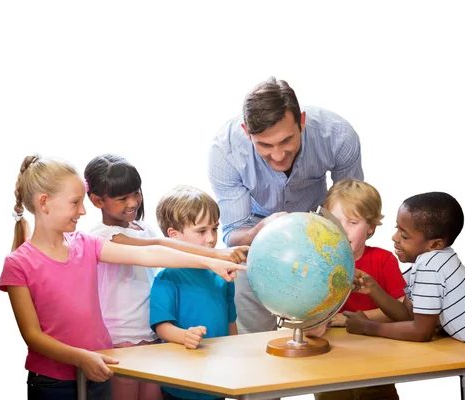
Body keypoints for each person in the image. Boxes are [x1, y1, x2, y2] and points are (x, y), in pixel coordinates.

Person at [0, 154, 245, 400]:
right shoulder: (18, 264)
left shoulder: (86, 244)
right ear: (44, 203)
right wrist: (82, 358)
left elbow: (153, 253)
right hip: (54, 381)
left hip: (100, 367)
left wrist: (211, 260)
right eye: (75, 202)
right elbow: (32, 336)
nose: (83, 211)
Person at [84, 154, 248, 400]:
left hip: (149, 335)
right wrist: (215, 255)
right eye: (122, 198)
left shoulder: (142, 228)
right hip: (121, 338)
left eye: (136, 193)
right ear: (97, 200)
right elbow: (160, 247)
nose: (133, 202)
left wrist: (217, 256)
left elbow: (168, 245)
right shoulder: (101, 236)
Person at [208, 76, 364, 334]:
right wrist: (259, 232)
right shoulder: (224, 152)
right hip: (254, 238)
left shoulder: (337, 135)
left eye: (286, 141)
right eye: (265, 145)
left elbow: (352, 201)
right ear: (247, 132)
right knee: (254, 338)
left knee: (322, 336)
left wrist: (343, 244)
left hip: (316, 233)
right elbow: (233, 235)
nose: (278, 155)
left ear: (301, 122)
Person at [344, 192, 465, 399]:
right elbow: (408, 315)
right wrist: (374, 289)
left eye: (404, 235)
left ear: (435, 245)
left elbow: (421, 332)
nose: (394, 238)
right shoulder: (429, 263)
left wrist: (368, 327)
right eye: (397, 229)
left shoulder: (430, 266)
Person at [306, 180, 406, 400]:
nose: (342, 229)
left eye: (352, 222)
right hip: (329, 363)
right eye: (335, 221)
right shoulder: (315, 262)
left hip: (377, 360)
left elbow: (400, 309)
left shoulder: (384, 260)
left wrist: (347, 318)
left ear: (370, 227)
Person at [150, 185, 238, 400]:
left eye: (215, 229)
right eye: (201, 231)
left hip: (218, 378)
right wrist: (184, 336)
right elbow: (162, 327)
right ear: (174, 235)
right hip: (180, 381)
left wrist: (236, 357)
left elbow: (231, 321)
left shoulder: (223, 274)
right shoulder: (168, 277)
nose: (211, 239)